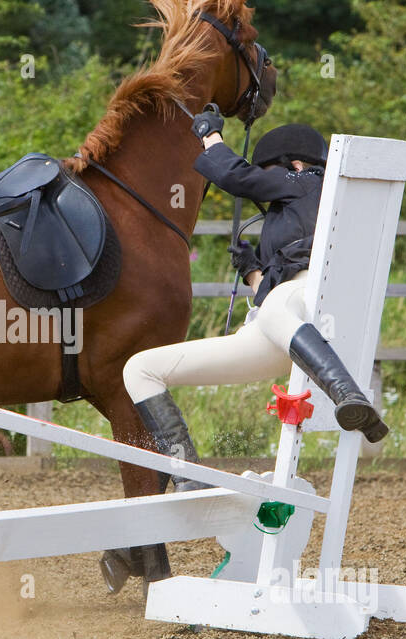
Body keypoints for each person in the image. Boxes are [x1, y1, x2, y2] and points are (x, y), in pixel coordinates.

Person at [100, 116, 390, 593]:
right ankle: (188, 477)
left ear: (294, 165)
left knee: (279, 305)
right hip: (285, 329)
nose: (267, 193)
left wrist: (210, 134)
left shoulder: (309, 181)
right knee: (141, 368)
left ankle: (347, 395)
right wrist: (255, 275)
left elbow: (233, 175)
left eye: (272, 175)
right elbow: (273, 301)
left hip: (310, 313)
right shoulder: (302, 207)